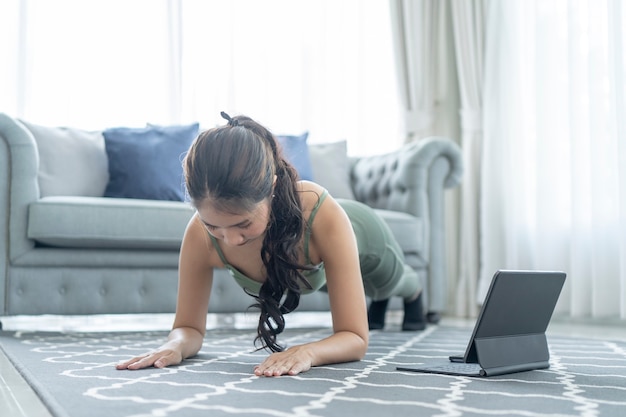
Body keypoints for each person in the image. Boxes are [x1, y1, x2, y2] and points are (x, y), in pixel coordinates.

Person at [116, 113, 425, 377]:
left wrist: (308, 352)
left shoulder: (320, 212)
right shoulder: (199, 235)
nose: (229, 239)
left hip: (365, 236)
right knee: (339, 287)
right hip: (308, 273)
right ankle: (377, 300)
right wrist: (175, 344)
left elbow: (356, 338)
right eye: (213, 225)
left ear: (273, 189)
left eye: (242, 224)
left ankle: (413, 292)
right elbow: (189, 328)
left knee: (392, 283)